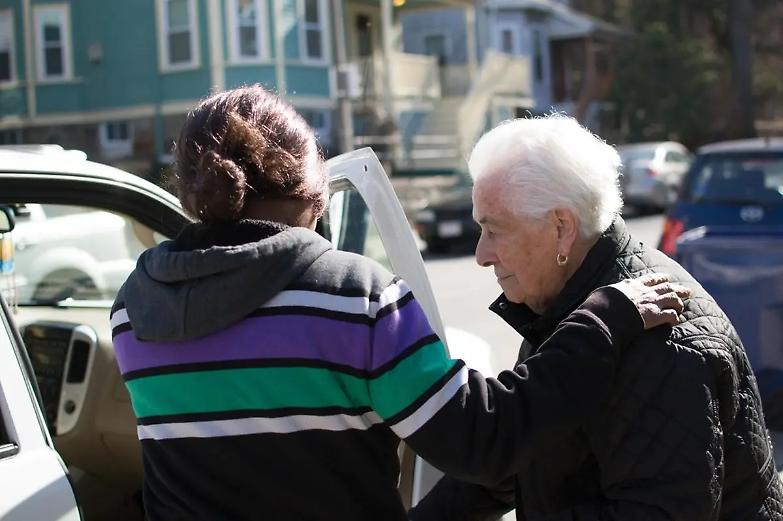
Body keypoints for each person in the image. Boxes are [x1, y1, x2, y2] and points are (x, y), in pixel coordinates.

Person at [109, 86, 688, 520]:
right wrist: (603, 320)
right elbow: (482, 441)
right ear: (313, 190)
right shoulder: (352, 298)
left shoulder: (132, 313)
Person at [409, 115, 783, 521]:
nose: (481, 255)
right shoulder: (575, 301)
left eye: (494, 231)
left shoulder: (659, 335)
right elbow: (521, 449)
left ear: (561, 228)